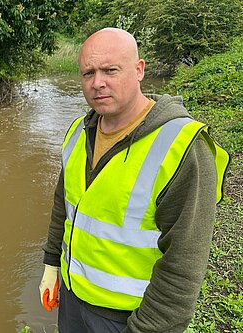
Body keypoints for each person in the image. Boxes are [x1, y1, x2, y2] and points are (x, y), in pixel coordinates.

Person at [38, 28, 230, 333]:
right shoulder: (78, 131)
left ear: (139, 70)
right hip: (73, 302)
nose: (98, 82)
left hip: (128, 317)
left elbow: (183, 265)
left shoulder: (182, 147)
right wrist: (51, 263)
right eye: (88, 72)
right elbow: (65, 204)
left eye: (110, 70)